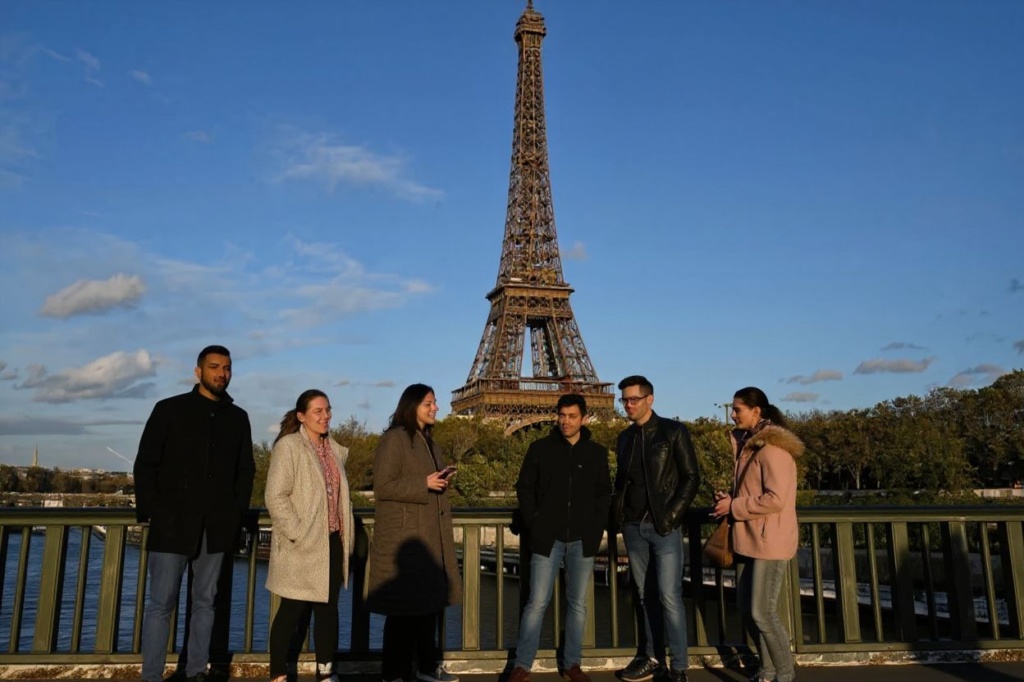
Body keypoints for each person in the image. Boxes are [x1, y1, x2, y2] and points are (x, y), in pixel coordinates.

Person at [134, 345, 255, 682]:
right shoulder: (169, 410)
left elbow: (246, 470)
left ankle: (196, 671)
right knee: (161, 605)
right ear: (198, 371)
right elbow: (145, 465)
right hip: (171, 525)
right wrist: (154, 513)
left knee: (206, 603)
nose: (222, 373)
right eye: (215, 367)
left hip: (216, 527)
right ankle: (152, 675)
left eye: (227, 368)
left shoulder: (238, 417)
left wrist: (235, 513)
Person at [504, 394, 612, 682]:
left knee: (577, 604)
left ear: (584, 418)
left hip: (582, 540)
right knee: (536, 602)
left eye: (572, 416)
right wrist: (535, 523)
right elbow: (524, 487)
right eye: (561, 415)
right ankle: (522, 664)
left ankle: (572, 663)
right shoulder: (539, 449)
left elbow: (604, 494)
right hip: (546, 538)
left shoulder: (596, 453)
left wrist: (595, 527)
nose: (565, 421)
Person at [367, 384, 462, 682]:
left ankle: (424, 666)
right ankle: (394, 672)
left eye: (435, 403)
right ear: (412, 406)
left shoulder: (430, 442)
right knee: (403, 611)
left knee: (427, 607)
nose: (435, 408)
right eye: (428, 403)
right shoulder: (394, 439)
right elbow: (383, 487)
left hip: (428, 534)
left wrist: (439, 479)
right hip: (405, 537)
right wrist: (424, 483)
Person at [612, 376, 699, 682]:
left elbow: (691, 477)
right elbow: (622, 484)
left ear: (650, 399)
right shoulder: (624, 438)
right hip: (634, 527)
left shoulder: (674, 431)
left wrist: (671, 517)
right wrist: (619, 517)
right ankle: (652, 657)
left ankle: (679, 667)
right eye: (624, 400)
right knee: (644, 595)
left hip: (663, 527)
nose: (628, 405)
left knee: (669, 596)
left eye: (633, 399)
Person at [712, 388, 802, 682]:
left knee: (762, 613)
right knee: (748, 610)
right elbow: (758, 492)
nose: (733, 414)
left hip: (769, 541)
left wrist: (734, 505)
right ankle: (768, 670)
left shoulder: (773, 449)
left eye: (737, 409)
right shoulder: (753, 447)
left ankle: (784, 675)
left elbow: (776, 498)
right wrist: (731, 498)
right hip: (750, 538)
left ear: (756, 411)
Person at [265, 389, 355, 682]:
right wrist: (298, 532)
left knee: (328, 611)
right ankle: (278, 673)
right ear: (301, 416)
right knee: (291, 610)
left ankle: (326, 672)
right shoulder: (289, 447)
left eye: (328, 410)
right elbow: (275, 496)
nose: (325, 416)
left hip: (331, 541)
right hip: (302, 543)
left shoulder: (334, 450)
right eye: (318, 411)